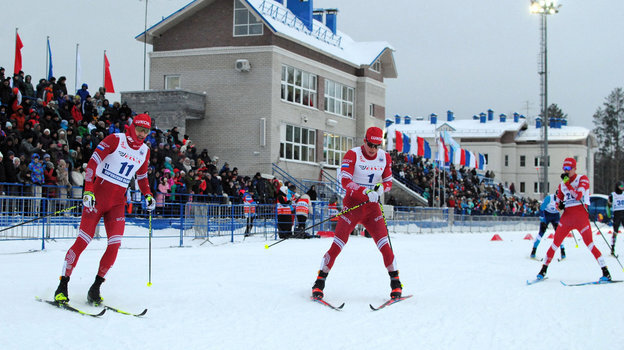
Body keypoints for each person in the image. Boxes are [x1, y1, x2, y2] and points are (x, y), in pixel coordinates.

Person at [53, 114, 157, 305]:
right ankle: (62, 285)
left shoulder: (144, 151)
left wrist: (148, 194)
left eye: (146, 131)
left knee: (115, 244)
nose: (142, 134)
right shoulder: (115, 140)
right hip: (97, 197)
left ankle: (95, 287)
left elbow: (142, 177)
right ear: (132, 127)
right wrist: (89, 190)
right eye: (140, 129)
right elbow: (92, 163)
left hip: (117, 203)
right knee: (83, 241)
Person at [311, 126, 403, 300]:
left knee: (384, 245)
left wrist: (380, 189)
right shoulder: (353, 154)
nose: (373, 149)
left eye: (377, 146)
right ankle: (319, 283)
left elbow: (389, 181)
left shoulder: (385, 157)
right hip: (353, 206)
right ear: (364, 141)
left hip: (372, 208)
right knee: (338, 244)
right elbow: (345, 181)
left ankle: (396, 284)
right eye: (370, 145)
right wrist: (365, 192)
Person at [535, 158, 611, 282]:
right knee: (555, 243)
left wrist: (567, 184)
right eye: (564, 169)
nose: (566, 171)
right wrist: (560, 205)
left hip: (581, 216)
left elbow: (578, 195)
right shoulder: (562, 185)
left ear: (575, 168)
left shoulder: (582, 179)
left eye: (569, 169)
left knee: (590, 244)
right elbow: (558, 203)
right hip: (567, 217)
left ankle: (605, 271)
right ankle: (543, 270)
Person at [530, 191, 565, 260]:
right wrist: (543, 221)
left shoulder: (563, 199)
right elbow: (541, 209)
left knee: (559, 233)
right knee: (541, 232)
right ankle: (533, 251)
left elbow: (564, 209)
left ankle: (563, 251)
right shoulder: (549, 198)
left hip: (556, 216)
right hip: (547, 215)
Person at [608, 181, 624, 256]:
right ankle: (612, 248)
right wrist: (608, 215)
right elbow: (608, 206)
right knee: (615, 232)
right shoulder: (612, 195)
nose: (622, 187)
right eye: (621, 186)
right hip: (617, 214)